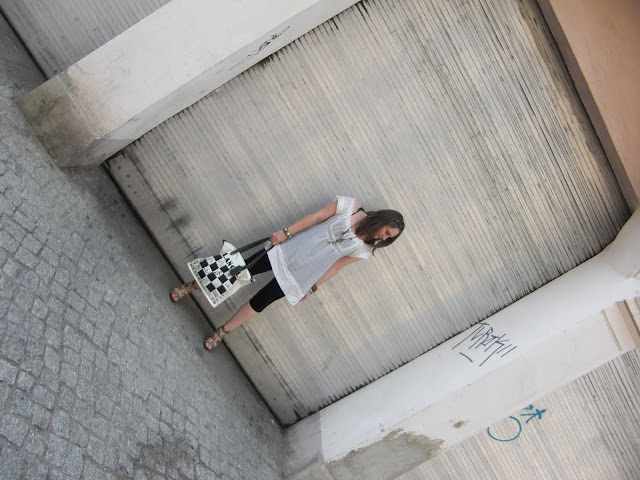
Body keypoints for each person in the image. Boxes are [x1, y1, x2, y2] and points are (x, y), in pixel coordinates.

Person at [170, 195, 404, 350]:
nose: (383, 238)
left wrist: (313, 287)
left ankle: (222, 332)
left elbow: (336, 266)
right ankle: (191, 286)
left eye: (388, 238)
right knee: (238, 269)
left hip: (302, 274)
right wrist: (286, 233)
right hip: (288, 250)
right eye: (386, 232)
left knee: (260, 302)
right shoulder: (350, 206)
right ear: (383, 219)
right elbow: (316, 217)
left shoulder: (365, 250)